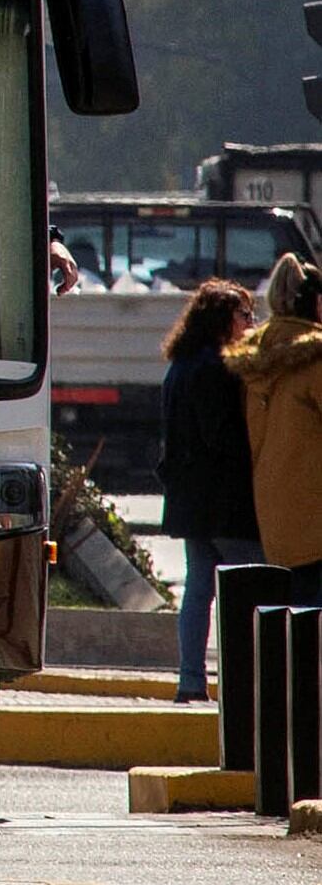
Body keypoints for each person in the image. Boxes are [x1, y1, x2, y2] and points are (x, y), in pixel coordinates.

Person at [162, 277, 265, 701]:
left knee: (199, 589)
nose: (251, 322)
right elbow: (221, 436)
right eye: (244, 315)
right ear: (223, 319)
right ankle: (245, 682)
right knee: (253, 587)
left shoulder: (179, 366)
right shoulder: (217, 367)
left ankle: (190, 680)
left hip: (190, 499)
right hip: (224, 500)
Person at [233, 252, 322, 598]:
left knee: (292, 618)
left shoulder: (256, 357)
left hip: (273, 507)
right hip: (315, 509)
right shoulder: (313, 358)